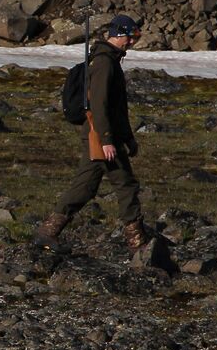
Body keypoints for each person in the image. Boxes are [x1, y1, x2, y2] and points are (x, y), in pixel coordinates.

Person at [34, 14, 150, 252]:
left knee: (84, 186)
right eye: (131, 37)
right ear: (119, 34)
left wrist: (128, 137)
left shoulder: (106, 60)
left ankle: (47, 232)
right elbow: (99, 105)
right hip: (102, 137)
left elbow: (116, 107)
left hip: (100, 135)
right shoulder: (105, 63)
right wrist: (108, 140)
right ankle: (138, 244)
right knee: (125, 185)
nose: (132, 43)